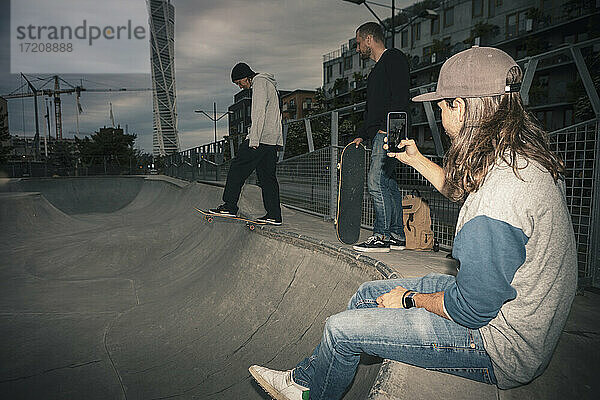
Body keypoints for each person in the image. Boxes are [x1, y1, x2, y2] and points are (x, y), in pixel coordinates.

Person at [248, 46, 577, 400]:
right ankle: (303, 381)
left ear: (462, 107)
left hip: (500, 345)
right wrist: (415, 158)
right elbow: (459, 188)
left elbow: (471, 309)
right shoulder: (517, 157)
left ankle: (310, 395)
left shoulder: (498, 200)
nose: (436, 109)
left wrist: (410, 299)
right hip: (518, 311)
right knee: (367, 293)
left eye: (442, 102)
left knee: (339, 330)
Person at [350, 22, 409, 253]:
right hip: (382, 131)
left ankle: (381, 236)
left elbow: (401, 96)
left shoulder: (393, 58)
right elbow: (372, 109)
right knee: (388, 181)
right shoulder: (376, 70)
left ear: (368, 39)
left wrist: (391, 128)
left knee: (375, 181)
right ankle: (396, 234)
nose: (357, 49)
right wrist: (362, 135)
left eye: (358, 44)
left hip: (391, 130)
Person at [209, 62, 283, 225]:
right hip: (270, 140)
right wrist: (278, 141)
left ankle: (229, 207)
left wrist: (253, 139)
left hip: (260, 139)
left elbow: (258, 113)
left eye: (239, 82)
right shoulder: (269, 84)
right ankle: (274, 215)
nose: (240, 86)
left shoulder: (260, 83)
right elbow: (277, 116)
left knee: (237, 169)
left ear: (246, 77)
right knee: (267, 178)